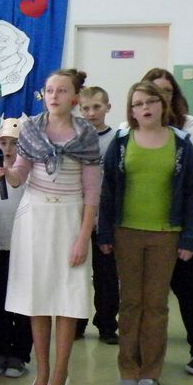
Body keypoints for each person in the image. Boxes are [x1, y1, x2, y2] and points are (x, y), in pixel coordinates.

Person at [0, 69, 101, 385]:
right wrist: (6, 171)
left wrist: (83, 237)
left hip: (70, 217)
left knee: (67, 296)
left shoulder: (86, 134)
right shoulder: (31, 129)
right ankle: (42, 370)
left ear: (75, 97)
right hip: (34, 217)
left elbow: (92, 192)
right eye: (50, 90)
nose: (54, 95)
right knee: (37, 296)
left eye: (62, 90)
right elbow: (19, 176)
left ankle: (60, 373)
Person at [98, 81, 193, 385]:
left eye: (151, 101)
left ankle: (150, 371)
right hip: (126, 232)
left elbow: (192, 192)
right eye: (139, 103)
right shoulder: (121, 141)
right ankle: (128, 367)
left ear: (162, 105)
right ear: (132, 110)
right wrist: (105, 231)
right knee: (130, 302)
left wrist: (188, 238)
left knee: (155, 305)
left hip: (166, 235)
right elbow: (108, 189)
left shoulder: (181, 143)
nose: (146, 108)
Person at [141, 68, 193, 375]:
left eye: (167, 92)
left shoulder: (188, 126)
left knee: (191, 293)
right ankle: (144, 356)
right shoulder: (129, 129)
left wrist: (189, 230)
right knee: (146, 297)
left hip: (183, 227)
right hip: (145, 227)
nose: (161, 98)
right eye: (154, 92)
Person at [0, 117, 32, 378]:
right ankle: (2, 350)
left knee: (22, 304)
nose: (7, 148)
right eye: (3, 143)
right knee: (0, 302)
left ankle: (20, 354)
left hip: (22, 247)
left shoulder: (29, 174)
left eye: (14, 143)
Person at [76, 86, 120, 344]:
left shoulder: (117, 139)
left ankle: (107, 325)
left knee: (106, 275)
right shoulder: (76, 139)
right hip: (78, 216)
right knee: (77, 272)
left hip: (105, 218)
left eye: (96, 107)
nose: (91, 113)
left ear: (108, 107)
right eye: (86, 108)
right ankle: (76, 323)